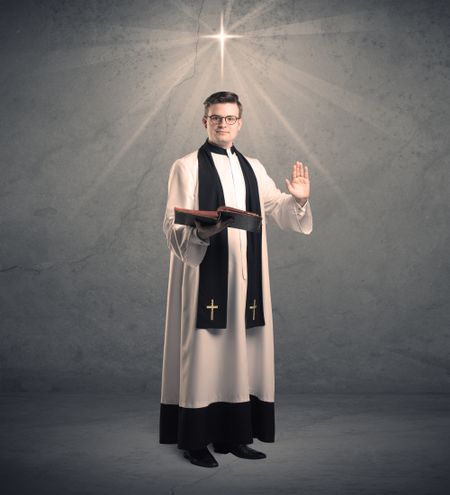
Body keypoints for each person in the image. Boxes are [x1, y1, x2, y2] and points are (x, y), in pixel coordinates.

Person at [159, 91, 313, 468]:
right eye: (216, 117)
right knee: (204, 350)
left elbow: (274, 207)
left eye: (230, 118)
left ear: (240, 122)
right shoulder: (186, 166)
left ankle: (235, 435)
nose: (223, 123)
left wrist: (298, 200)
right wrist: (200, 232)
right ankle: (195, 441)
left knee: (242, 352)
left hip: (247, 280)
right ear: (205, 122)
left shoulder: (254, 168)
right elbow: (171, 222)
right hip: (205, 275)